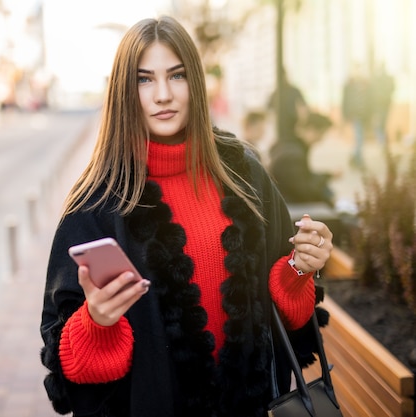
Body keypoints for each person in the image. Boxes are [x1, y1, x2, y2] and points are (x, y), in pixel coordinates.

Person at [40, 16, 334, 417]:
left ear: (194, 82)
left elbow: (288, 318)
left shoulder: (243, 173)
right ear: (125, 92)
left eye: (176, 75)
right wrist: (96, 321)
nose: (163, 94)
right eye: (145, 79)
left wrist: (302, 268)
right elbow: (72, 367)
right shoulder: (97, 202)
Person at [268, 112, 337, 206]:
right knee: (328, 194)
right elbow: (305, 192)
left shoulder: (290, 145)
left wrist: (327, 175)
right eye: (321, 134)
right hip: (290, 205)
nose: (321, 139)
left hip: (286, 200)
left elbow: (303, 178)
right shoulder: (294, 155)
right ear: (311, 130)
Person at [341, 66, 371, 168]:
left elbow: (370, 99)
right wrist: (345, 115)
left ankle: (354, 158)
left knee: (360, 139)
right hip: (355, 115)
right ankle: (358, 161)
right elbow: (345, 101)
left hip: (364, 115)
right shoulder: (349, 84)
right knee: (359, 138)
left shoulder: (365, 83)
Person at [267, 68, 308, 141]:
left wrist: (301, 125)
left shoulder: (294, 91)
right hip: (281, 130)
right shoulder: (275, 94)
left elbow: (303, 109)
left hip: (294, 128)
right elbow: (269, 113)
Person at [370, 63, 395, 147]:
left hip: (379, 105)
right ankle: (383, 141)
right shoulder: (388, 78)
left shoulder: (378, 79)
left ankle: (382, 141)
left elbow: (373, 92)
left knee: (378, 125)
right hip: (385, 104)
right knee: (382, 124)